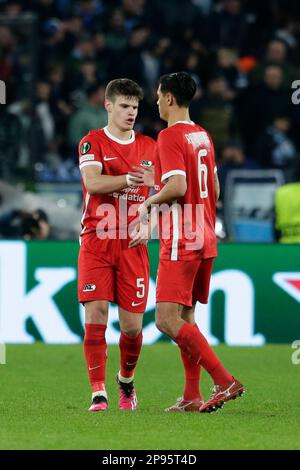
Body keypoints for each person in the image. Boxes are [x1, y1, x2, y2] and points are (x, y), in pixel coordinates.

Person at [132, 72, 245, 413]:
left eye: (157, 95)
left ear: (168, 98)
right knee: (186, 317)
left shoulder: (168, 136)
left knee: (165, 319)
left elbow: (179, 186)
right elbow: (214, 188)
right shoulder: (203, 136)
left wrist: (148, 202)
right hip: (206, 234)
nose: (154, 101)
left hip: (182, 236)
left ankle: (225, 380)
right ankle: (192, 396)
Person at [78, 78, 156, 412]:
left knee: (132, 327)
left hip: (132, 246)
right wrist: (127, 179)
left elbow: (156, 196)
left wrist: (150, 223)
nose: (130, 113)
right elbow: (92, 182)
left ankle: (125, 382)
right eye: (124, 106)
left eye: (135, 107)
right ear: (108, 105)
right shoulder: (92, 142)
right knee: (96, 313)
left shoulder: (150, 147)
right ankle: (98, 392)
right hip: (96, 240)